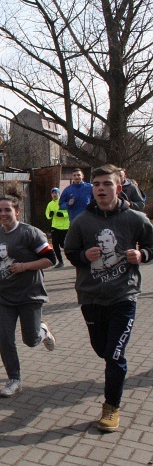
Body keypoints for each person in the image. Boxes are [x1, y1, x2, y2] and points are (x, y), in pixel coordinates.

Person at [64, 164, 153, 432]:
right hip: (90, 296)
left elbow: (151, 246)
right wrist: (83, 257)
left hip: (123, 297)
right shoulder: (82, 221)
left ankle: (111, 406)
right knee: (102, 350)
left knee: (115, 355)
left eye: (107, 184)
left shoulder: (135, 219)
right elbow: (70, 251)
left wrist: (143, 255)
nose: (101, 189)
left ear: (118, 187)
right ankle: (113, 375)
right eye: (97, 184)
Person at [0, 184, 57, 397]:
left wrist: (25, 266)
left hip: (30, 295)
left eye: (7, 210)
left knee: (30, 340)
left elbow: (50, 259)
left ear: (17, 211)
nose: (3, 214)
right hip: (5, 296)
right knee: (5, 339)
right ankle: (14, 380)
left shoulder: (31, 233)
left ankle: (42, 332)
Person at [45, 187, 69, 268]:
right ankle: (60, 261)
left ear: (59, 194)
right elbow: (47, 214)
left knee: (63, 245)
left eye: (56, 193)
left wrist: (63, 215)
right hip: (55, 227)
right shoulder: (50, 204)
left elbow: (69, 212)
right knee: (55, 245)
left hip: (64, 227)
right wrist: (50, 215)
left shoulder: (63, 202)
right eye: (53, 193)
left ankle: (71, 256)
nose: (54, 194)